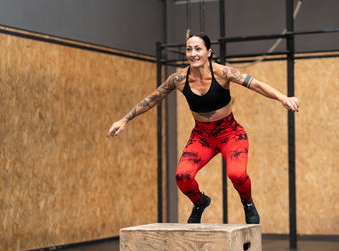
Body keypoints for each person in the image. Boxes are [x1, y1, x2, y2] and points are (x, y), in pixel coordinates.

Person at [107, 33, 299, 224]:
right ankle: (200, 203)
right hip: (202, 137)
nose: (193, 54)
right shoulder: (179, 79)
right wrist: (124, 119)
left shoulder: (224, 73)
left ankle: (247, 202)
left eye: (198, 49)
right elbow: (153, 98)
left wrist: (283, 98)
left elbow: (256, 84)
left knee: (237, 174)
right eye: (189, 49)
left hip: (230, 133)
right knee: (182, 177)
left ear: (208, 52)